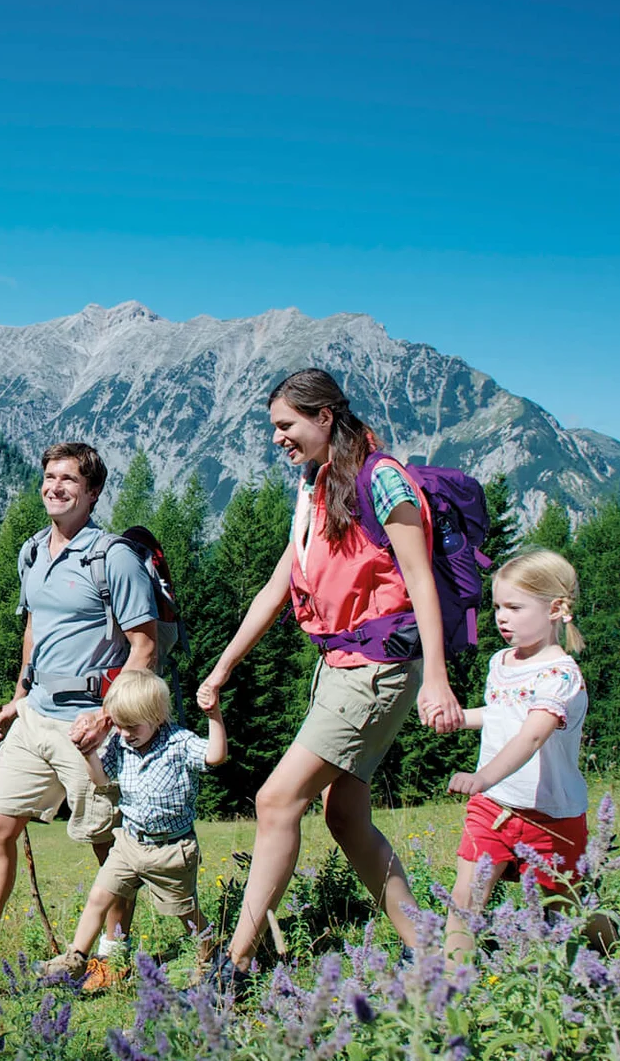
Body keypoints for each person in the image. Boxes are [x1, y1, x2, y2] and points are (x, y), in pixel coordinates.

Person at [194, 368, 462, 973]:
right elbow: (277, 587)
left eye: (285, 425)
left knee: (276, 800)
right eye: (273, 428)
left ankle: (234, 967)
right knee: (344, 816)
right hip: (341, 666)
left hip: (377, 668)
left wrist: (439, 678)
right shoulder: (316, 490)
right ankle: (428, 954)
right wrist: (223, 667)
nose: (277, 438)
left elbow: (421, 582)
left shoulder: (383, 480)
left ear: (324, 417)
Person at [0, 442, 160, 996]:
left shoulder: (112, 557)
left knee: (109, 846)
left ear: (92, 492)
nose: (55, 487)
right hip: (37, 717)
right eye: (49, 477)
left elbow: (145, 649)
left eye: (69, 479)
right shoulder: (31, 553)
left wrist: (106, 714)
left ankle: (113, 961)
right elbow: (34, 632)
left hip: (90, 726)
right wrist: (18, 698)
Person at [443, 548, 608, 963]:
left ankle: (617, 952)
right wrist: (459, 718)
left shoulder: (561, 675)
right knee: (466, 898)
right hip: (493, 809)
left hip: (550, 816)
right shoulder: (501, 662)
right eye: (498, 606)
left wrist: (482, 777)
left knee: (565, 910)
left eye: (515, 607)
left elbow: (532, 735)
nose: (502, 617)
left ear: (556, 609)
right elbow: (503, 716)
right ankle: (448, 991)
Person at [38, 669, 227, 992]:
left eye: (132, 726)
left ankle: (210, 955)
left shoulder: (179, 743)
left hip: (171, 850)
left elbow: (215, 756)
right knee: (100, 895)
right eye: (120, 726)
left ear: (156, 716)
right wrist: (88, 753)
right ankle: (74, 958)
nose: (125, 733)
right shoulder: (121, 746)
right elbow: (102, 780)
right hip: (128, 842)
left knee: (185, 913)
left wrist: (214, 715)